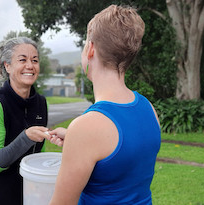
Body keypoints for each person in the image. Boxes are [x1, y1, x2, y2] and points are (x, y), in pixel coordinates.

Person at [49, 5, 161, 205]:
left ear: (90, 49)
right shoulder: (148, 108)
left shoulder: (86, 128)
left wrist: (79, 137)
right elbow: (125, 154)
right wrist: (75, 139)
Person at [0, 37, 54, 205]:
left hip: (26, 197)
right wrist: (26, 137)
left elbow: (38, 154)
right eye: (22, 60)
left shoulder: (41, 103)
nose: (30, 65)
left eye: (34, 60)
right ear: (7, 65)